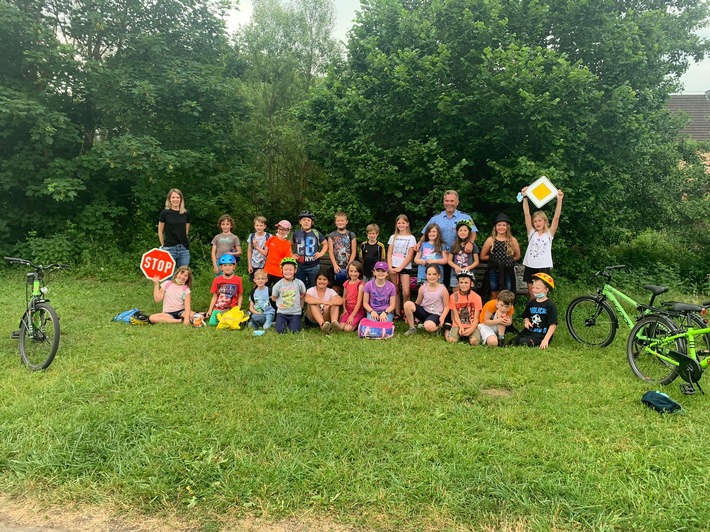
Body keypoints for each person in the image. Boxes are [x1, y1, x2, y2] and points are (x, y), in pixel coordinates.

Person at [419, 190, 478, 287]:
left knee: (456, 284)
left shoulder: (466, 217)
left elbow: (474, 232)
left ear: (457, 202)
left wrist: (470, 242)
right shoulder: (436, 218)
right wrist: (419, 243)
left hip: (456, 257)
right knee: (441, 284)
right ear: (443, 202)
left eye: (452, 201)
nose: (449, 203)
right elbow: (426, 233)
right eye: (447, 201)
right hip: (439, 256)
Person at [522, 188, 564, 299]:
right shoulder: (531, 233)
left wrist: (559, 200)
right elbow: (527, 214)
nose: (537, 223)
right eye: (535, 221)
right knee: (532, 294)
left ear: (545, 221)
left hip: (543, 266)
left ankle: (543, 315)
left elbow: (556, 217)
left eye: (540, 220)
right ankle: (531, 315)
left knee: (542, 295)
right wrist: (525, 197)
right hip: (530, 265)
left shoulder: (549, 234)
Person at [510, 273, 557, 349]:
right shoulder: (531, 302)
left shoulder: (550, 305)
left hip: (541, 334)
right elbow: (526, 316)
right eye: (533, 288)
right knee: (512, 342)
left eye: (537, 288)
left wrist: (546, 340)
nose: (534, 290)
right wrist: (526, 321)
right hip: (528, 332)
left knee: (523, 342)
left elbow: (553, 324)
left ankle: (536, 342)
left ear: (546, 290)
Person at [480, 213, 521, 300]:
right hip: (493, 271)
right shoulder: (490, 240)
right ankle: (494, 312)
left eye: (504, 225)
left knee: (508, 294)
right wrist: (494, 259)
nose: (501, 227)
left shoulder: (512, 240)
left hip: (508, 271)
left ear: (507, 227)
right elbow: (482, 256)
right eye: (499, 225)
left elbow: (517, 256)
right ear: (495, 227)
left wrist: (507, 260)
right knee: (494, 293)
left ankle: (507, 312)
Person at [403, 265, 449, 336]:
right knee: (407, 304)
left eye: (434, 274)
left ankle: (440, 327)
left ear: (439, 276)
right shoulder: (423, 288)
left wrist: (442, 317)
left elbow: (447, 306)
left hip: (436, 314)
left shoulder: (443, 289)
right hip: (424, 312)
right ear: (426, 276)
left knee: (429, 327)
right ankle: (412, 328)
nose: (431, 276)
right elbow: (418, 302)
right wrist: (409, 314)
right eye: (429, 274)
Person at [387, 214, 417, 318]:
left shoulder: (411, 238)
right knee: (395, 290)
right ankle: (397, 312)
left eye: (403, 223)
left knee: (406, 291)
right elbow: (389, 253)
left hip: (405, 267)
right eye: (399, 223)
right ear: (396, 224)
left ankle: (406, 311)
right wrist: (390, 266)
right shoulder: (393, 237)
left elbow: (410, 255)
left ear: (407, 224)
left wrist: (401, 267)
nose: (401, 225)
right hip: (393, 266)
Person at [293, 210, 327, 290]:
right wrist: (291, 254)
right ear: (300, 222)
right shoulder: (296, 233)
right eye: (304, 220)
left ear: (312, 222)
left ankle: (311, 302)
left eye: (308, 220)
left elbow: (325, 243)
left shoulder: (316, 233)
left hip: (313, 265)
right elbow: (289, 244)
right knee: (300, 286)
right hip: (300, 266)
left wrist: (321, 253)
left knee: (313, 286)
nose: (306, 222)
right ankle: (302, 301)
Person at [445, 270, 482, 345]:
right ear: (458, 283)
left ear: (471, 283)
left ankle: (470, 336)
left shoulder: (477, 297)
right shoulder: (453, 297)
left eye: (466, 283)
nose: (463, 285)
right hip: (458, 324)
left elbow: (476, 318)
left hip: (472, 325)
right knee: (451, 341)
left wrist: (471, 329)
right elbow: (455, 316)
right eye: (461, 282)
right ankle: (446, 330)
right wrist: (461, 327)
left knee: (474, 342)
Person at [271, 257, 307, 333]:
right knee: (280, 331)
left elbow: (303, 293)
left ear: (295, 270)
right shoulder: (278, 285)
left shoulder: (299, 283)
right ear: (282, 271)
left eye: (290, 270)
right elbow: (274, 298)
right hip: (282, 312)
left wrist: (297, 298)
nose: (288, 272)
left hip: (295, 313)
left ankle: (293, 323)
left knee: (295, 331)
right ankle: (280, 322)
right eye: (286, 270)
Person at [206, 254, 243, 326]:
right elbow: (214, 296)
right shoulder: (217, 280)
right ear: (221, 267)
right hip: (218, 308)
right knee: (212, 323)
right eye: (225, 265)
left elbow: (240, 295)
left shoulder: (238, 280)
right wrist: (210, 310)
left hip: (231, 309)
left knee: (230, 324)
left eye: (230, 265)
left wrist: (238, 307)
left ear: (234, 266)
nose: (227, 267)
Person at [158, 188, 191, 269]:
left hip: (183, 249)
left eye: (177, 197)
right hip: (169, 248)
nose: (175, 199)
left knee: (183, 276)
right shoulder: (164, 213)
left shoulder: (186, 213)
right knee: (168, 277)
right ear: (169, 199)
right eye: (173, 197)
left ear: (181, 199)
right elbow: (160, 231)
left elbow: (186, 230)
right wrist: (163, 246)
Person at [448, 219, 480, 289]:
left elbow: (476, 261)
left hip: (468, 274)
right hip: (455, 274)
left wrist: (468, 268)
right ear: (457, 232)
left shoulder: (473, 245)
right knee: (456, 295)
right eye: (460, 230)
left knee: (467, 295)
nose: (462, 232)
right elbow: (449, 260)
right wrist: (456, 267)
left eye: (465, 230)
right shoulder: (454, 244)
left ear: (469, 232)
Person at [328, 212, 357, 287]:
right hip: (336, 266)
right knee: (335, 287)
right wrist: (335, 265)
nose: (340, 222)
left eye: (342, 220)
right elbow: (330, 251)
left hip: (348, 266)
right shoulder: (332, 235)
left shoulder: (351, 235)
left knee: (349, 287)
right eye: (338, 221)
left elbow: (354, 251)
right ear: (335, 222)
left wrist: (350, 265)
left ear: (346, 222)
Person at [263, 220, 294, 286]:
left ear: (288, 231)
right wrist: (256, 247)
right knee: (264, 290)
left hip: (279, 272)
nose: (282, 231)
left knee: (277, 293)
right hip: (268, 270)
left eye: (285, 230)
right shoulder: (271, 239)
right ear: (277, 229)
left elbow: (287, 260)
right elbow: (265, 253)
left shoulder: (287, 244)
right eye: (280, 229)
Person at [339, 260, 366, 332]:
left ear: (360, 272)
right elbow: (344, 297)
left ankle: (359, 322)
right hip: (348, 310)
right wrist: (344, 309)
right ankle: (350, 321)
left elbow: (359, 302)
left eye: (356, 271)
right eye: (351, 271)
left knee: (347, 329)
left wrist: (352, 316)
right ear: (348, 271)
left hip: (357, 311)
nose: (353, 274)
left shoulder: (360, 284)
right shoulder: (346, 283)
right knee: (341, 327)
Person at [247, 216, 271, 282]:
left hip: (265, 264)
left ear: (264, 226)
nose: (259, 227)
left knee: (265, 281)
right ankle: (255, 292)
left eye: (261, 225)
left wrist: (256, 246)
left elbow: (268, 252)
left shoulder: (269, 236)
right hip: (254, 264)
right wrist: (249, 265)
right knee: (255, 282)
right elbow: (249, 251)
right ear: (254, 226)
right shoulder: (252, 236)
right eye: (257, 225)